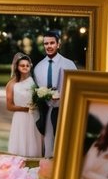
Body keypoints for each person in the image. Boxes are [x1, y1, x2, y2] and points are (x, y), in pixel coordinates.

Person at [32, 29, 78, 158]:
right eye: (46, 44)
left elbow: (75, 89)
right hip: (47, 112)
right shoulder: (38, 67)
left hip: (64, 111)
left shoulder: (69, 64)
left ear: (58, 44)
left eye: (52, 43)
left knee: (64, 145)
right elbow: (38, 91)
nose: (49, 46)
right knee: (48, 144)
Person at [5, 52, 42, 157]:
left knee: (34, 143)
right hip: (20, 118)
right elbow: (9, 106)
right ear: (17, 66)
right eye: (22, 65)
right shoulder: (11, 84)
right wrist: (25, 109)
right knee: (20, 142)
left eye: (27, 65)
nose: (25, 67)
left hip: (34, 117)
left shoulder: (34, 82)